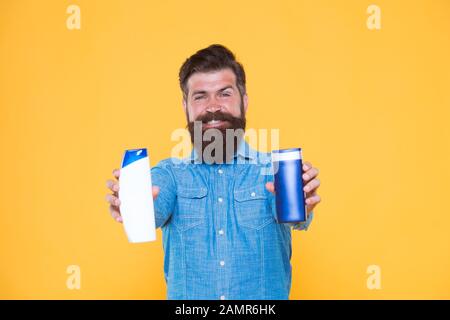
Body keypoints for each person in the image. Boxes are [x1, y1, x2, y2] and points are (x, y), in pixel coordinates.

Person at [105, 44, 321, 299]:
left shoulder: (274, 172)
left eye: (224, 94)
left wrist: (302, 201)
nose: (213, 106)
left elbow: (296, 216)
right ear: (185, 106)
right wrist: (134, 206)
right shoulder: (170, 174)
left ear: (245, 101)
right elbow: (152, 208)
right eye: (200, 96)